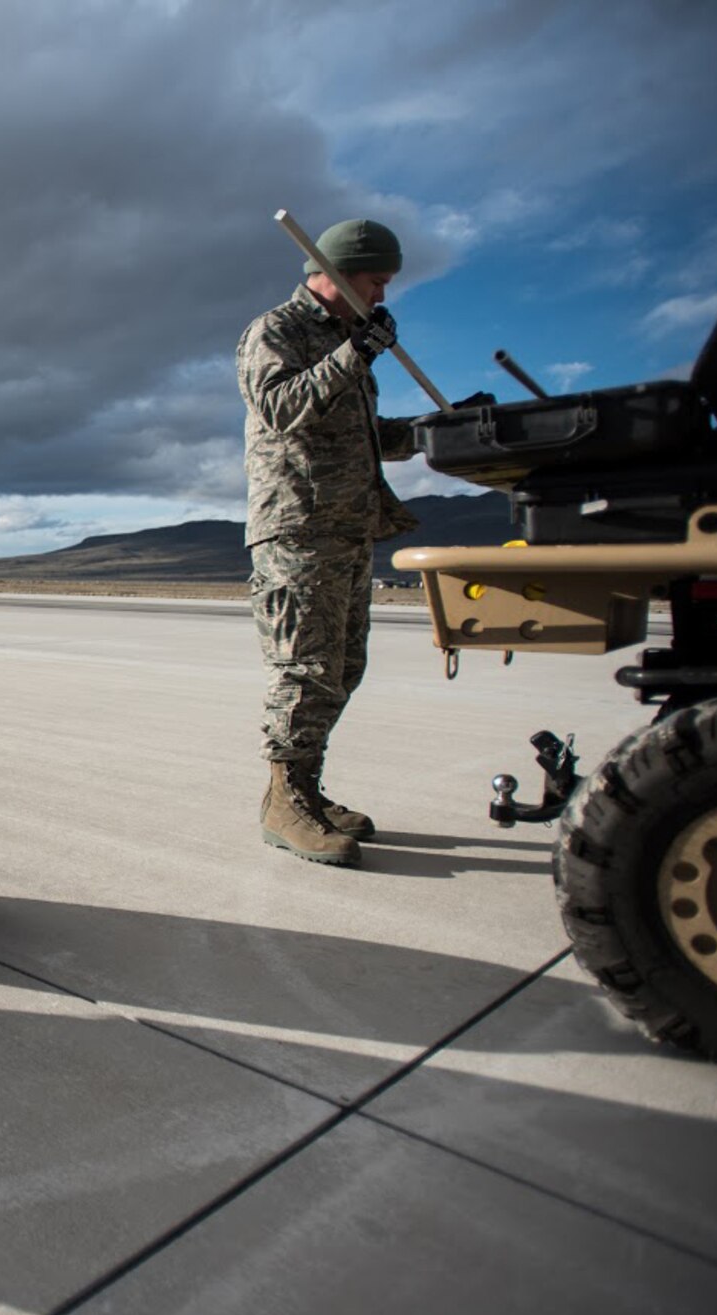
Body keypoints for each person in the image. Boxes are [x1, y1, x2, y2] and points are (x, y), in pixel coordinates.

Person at [237, 218, 419, 868]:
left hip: (347, 529)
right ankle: (286, 803)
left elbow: (366, 433)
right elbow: (282, 406)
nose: (383, 296)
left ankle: (302, 790)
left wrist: (439, 431)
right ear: (339, 273)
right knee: (305, 671)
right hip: (298, 528)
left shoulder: (348, 338)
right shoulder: (276, 331)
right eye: (376, 281)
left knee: (343, 669)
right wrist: (355, 356)